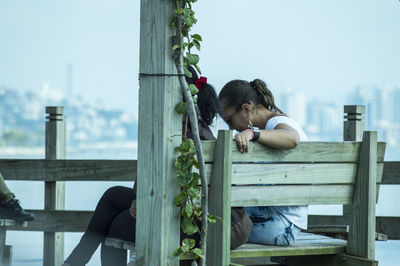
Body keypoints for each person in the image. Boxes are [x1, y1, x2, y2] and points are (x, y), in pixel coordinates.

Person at [63, 69, 252, 266]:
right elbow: (149, 187)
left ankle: (73, 263)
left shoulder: (179, 133)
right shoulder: (194, 125)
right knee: (113, 196)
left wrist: (143, 199)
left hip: (213, 225)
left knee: (116, 225)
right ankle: (73, 263)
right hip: (222, 219)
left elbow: (174, 194)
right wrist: (141, 198)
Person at [218, 79, 308, 246]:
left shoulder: (276, 124)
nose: (231, 128)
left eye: (230, 120)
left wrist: (253, 132)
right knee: (221, 214)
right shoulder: (271, 126)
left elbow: (292, 138)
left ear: (246, 109)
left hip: (282, 225)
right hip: (279, 219)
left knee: (217, 228)